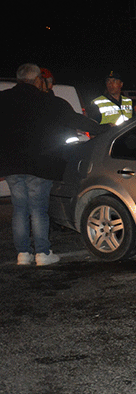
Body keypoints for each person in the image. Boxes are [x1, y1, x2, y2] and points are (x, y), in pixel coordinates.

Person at [0, 64, 108, 266]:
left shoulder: (3, 99)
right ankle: (42, 253)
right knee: (39, 209)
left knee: (20, 208)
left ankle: (23, 254)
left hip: (13, 165)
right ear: (38, 80)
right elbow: (76, 120)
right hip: (41, 164)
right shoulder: (48, 102)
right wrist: (102, 129)